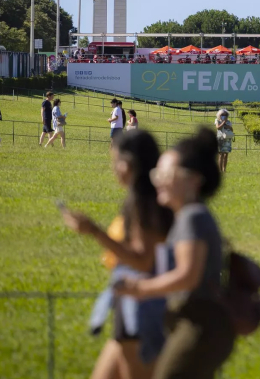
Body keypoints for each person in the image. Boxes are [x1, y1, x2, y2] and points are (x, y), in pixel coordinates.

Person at [114, 128, 235, 379]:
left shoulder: (192, 217)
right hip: (192, 322)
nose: (158, 181)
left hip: (200, 324)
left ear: (194, 180)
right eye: (157, 174)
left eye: (166, 175)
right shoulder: (188, 216)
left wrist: (140, 288)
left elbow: (187, 276)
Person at [62, 130, 175, 379]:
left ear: (129, 163)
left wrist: (94, 231)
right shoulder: (145, 199)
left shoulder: (144, 203)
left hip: (142, 309)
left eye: (116, 162)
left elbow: (143, 261)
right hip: (134, 304)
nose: (113, 169)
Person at [214, 108, 233, 173]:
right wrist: (223, 123)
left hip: (227, 139)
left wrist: (228, 126)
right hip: (220, 139)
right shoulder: (217, 120)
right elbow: (218, 127)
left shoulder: (229, 122)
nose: (223, 116)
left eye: (225, 115)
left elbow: (231, 130)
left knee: (226, 154)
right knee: (220, 154)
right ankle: (220, 169)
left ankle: (224, 169)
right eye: (222, 115)